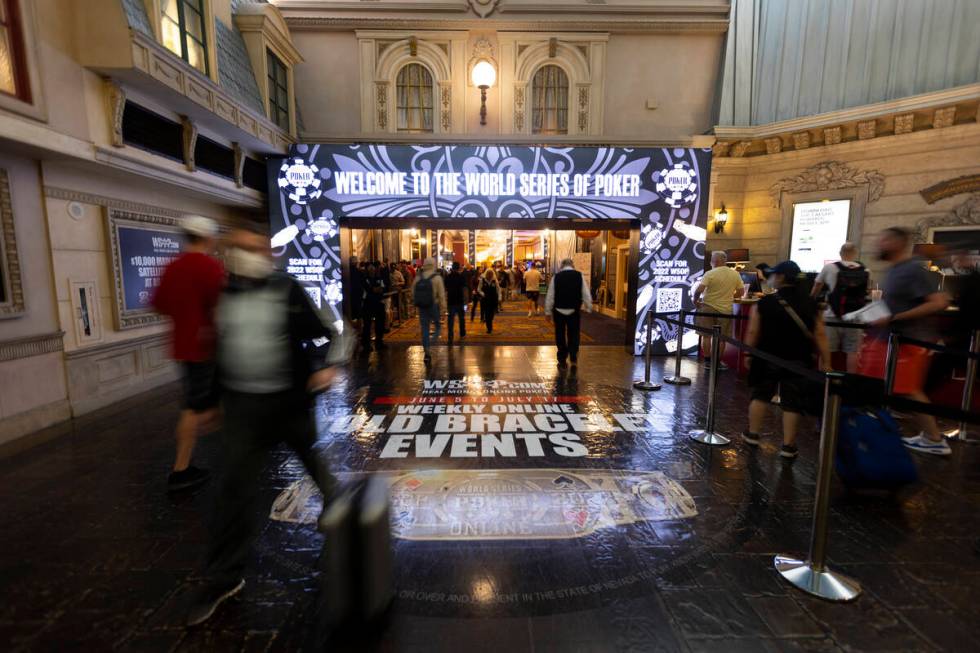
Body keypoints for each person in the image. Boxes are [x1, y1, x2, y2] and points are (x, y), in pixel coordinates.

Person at [185, 224, 349, 626]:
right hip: (242, 407)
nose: (249, 255)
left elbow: (328, 332)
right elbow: (214, 350)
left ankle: (335, 498)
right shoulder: (222, 297)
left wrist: (327, 368)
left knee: (309, 457)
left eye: (256, 248)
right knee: (234, 489)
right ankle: (224, 577)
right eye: (241, 248)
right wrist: (207, 402)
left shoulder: (287, 291)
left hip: (289, 402)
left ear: (269, 254)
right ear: (229, 254)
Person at [152, 215, 225, 492]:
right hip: (205, 347)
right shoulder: (209, 266)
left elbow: (159, 304)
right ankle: (180, 469)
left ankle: (188, 463)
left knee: (199, 405)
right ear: (208, 238)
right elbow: (220, 307)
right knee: (195, 408)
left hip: (181, 347)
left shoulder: (172, 266)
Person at [868, 227, 951, 456]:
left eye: (883, 240)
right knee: (902, 388)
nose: (878, 243)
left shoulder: (912, 270)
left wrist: (895, 318)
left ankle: (934, 439)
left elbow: (938, 302)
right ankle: (927, 435)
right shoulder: (894, 270)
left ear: (897, 243)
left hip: (911, 340)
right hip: (895, 340)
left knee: (909, 390)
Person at [743, 261, 831, 460]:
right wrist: (827, 360)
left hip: (766, 356)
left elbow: (753, 330)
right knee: (793, 402)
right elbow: (820, 334)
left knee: (760, 395)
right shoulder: (811, 304)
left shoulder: (765, 303)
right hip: (798, 358)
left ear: (781, 277)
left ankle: (753, 434)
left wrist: (748, 353)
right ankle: (788, 445)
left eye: (774, 274)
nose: (771, 277)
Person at [811, 243, 868, 373]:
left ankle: (823, 381)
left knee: (827, 350)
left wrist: (811, 300)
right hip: (855, 317)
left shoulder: (830, 267)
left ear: (840, 253)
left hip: (832, 316)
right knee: (852, 352)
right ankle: (849, 384)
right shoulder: (864, 269)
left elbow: (817, 286)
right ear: (855, 253)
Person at [693, 251, 745, 369]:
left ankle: (707, 361)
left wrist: (695, 301)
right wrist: (730, 298)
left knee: (706, 336)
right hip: (726, 310)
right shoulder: (735, 274)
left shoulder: (710, 273)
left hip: (708, 307)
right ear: (724, 261)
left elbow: (699, 290)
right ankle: (717, 362)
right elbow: (741, 292)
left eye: (711, 259)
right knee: (722, 338)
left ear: (714, 261)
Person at [545, 258, 593, 368]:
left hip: (558, 310)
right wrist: (588, 307)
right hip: (574, 310)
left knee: (560, 334)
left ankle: (562, 358)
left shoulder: (556, 277)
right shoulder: (579, 275)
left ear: (561, 266)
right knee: (574, 333)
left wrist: (548, 312)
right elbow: (585, 293)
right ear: (572, 265)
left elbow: (550, 296)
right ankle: (573, 355)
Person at [413, 257, 446, 362]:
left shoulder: (419, 277)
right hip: (433, 305)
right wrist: (443, 309)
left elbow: (412, 291)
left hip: (422, 306)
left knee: (425, 328)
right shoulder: (437, 278)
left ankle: (427, 351)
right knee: (437, 326)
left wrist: (416, 302)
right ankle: (432, 340)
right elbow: (441, 295)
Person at [360, 263, 387, 352]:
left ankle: (379, 342)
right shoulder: (365, 279)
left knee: (380, 324)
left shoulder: (379, 278)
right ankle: (366, 344)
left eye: (373, 269)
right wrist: (375, 289)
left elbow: (382, 288)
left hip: (378, 303)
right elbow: (370, 289)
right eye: (370, 269)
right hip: (368, 304)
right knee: (367, 325)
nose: (372, 270)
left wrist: (376, 289)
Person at [444, 261, 467, 345]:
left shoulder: (448, 277)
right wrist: (466, 301)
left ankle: (450, 337)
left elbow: (445, 288)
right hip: (459, 300)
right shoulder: (461, 277)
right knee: (461, 319)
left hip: (451, 301)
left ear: (452, 268)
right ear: (458, 268)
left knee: (450, 320)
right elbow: (464, 289)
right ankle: (462, 333)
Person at [479, 269, 500, 334]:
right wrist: (483, 294)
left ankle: (489, 323)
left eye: (491, 274)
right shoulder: (482, 280)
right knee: (487, 314)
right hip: (485, 300)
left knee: (491, 315)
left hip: (493, 300)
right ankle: (489, 328)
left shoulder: (495, 281)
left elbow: (498, 289)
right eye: (488, 274)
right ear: (486, 274)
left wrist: (499, 298)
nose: (489, 276)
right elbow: (479, 289)